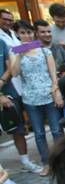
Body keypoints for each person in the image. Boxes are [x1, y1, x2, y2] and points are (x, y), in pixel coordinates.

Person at [10, 20, 64, 176]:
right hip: (30, 99)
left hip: (48, 95)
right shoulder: (16, 52)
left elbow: (54, 75)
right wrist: (20, 54)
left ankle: (62, 161)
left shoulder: (45, 51)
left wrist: (56, 91)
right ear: (17, 34)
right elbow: (14, 73)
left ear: (33, 33)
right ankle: (46, 163)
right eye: (22, 33)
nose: (26, 36)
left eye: (29, 32)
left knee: (56, 130)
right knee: (39, 134)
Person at [0, 35, 42, 175]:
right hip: (2, 93)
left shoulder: (1, 43)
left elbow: (9, 67)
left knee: (17, 128)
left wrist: (2, 82)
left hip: (8, 89)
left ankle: (25, 162)